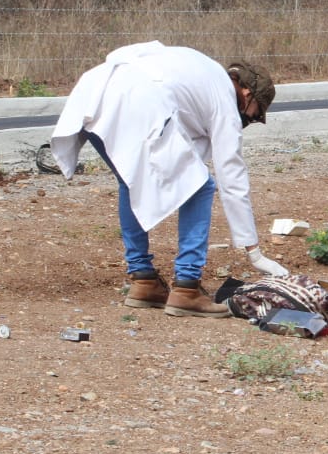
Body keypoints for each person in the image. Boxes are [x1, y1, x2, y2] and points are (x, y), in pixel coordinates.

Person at [50, 41, 289, 318]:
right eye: (255, 114)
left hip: (94, 93)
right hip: (137, 101)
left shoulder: (203, 71)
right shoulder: (225, 99)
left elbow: (187, 146)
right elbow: (231, 177)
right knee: (201, 187)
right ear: (247, 94)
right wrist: (254, 253)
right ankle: (187, 288)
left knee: (132, 181)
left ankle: (144, 281)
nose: (249, 120)